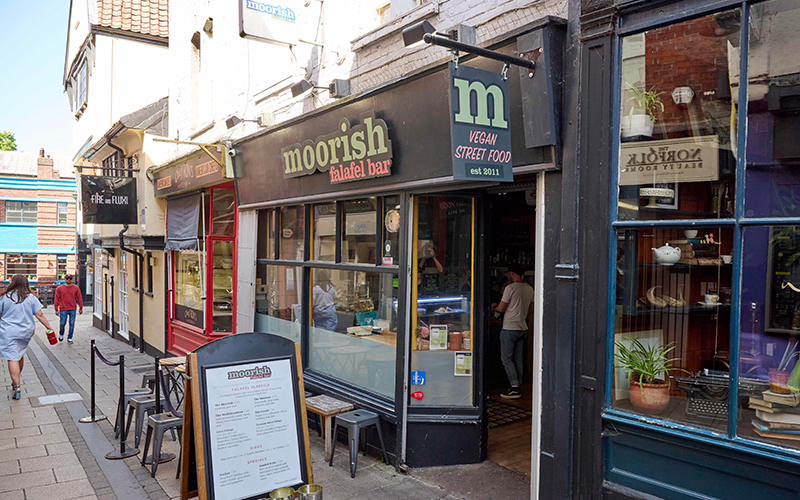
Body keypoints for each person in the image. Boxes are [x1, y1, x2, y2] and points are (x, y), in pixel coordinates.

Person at [0, 274, 54, 400]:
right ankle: (16, 378)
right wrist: (49, 327)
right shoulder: (31, 297)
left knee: (12, 357)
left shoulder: (4, 297)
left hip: (8, 331)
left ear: (12, 283)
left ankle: (17, 385)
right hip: (25, 332)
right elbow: (39, 314)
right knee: (19, 354)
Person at [491, 264, 534, 399]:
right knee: (518, 358)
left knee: (506, 359)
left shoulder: (510, 288)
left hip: (510, 327)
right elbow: (531, 307)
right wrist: (522, 316)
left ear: (513, 273)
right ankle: (519, 384)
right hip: (522, 327)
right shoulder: (529, 288)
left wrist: (494, 308)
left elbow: (501, 308)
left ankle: (514, 387)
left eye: (510, 274)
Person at [54, 274, 83, 343]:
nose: (69, 280)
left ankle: (70, 337)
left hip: (72, 308)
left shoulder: (76, 288)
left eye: (70, 278)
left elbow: (79, 298)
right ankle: (61, 334)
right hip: (63, 308)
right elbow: (56, 299)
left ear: (72, 279)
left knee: (72, 323)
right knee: (62, 323)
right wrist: (56, 309)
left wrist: (80, 307)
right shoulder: (59, 288)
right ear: (65, 279)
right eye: (67, 278)